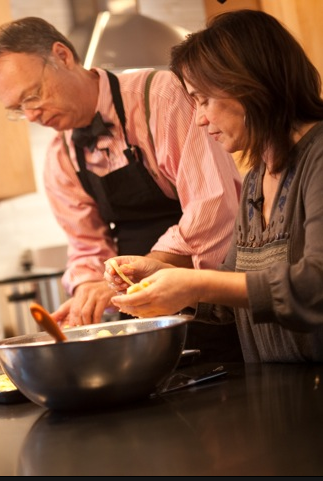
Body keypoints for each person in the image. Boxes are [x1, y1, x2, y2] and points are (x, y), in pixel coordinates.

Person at [0, 17, 243, 360]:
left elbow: (214, 207)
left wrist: (135, 275)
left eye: (32, 96)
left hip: (212, 305)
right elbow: (86, 245)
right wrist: (89, 287)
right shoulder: (60, 157)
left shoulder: (161, 98)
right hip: (141, 322)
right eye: (18, 109)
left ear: (62, 56)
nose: (31, 115)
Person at [105, 10, 323, 362]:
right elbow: (233, 297)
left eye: (204, 100)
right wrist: (168, 277)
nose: (200, 119)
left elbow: (316, 286)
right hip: (280, 388)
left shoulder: (319, 158)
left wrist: (195, 283)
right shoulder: (256, 180)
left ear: (251, 85)